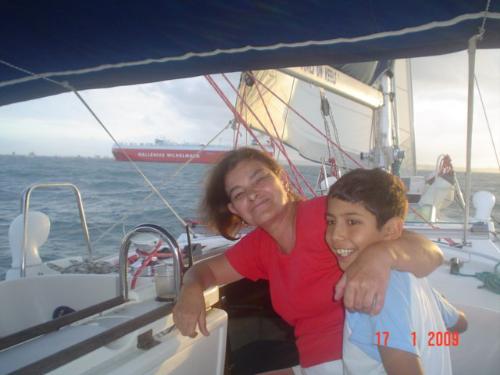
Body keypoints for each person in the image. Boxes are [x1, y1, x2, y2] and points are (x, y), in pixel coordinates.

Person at [173, 148, 443, 374]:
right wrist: (191, 289)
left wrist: (381, 255)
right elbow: (205, 271)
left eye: (259, 179)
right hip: (313, 365)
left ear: (283, 180)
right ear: (235, 209)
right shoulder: (258, 246)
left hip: (363, 359)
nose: (252, 194)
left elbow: (429, 252)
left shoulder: (326, 215)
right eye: (239, 193)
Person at [326, 168, 467, 375]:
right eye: (330, 221)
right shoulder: (414, 275)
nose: (335, 235)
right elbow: (460, 323)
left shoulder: (375, 293)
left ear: (391, 230)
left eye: (352, 222)